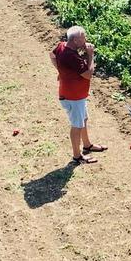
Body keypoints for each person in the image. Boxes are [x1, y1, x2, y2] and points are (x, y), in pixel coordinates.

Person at [50, 26, 105, 164]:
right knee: (77, 125)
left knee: (83, 120)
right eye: (83, 37)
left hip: (76, 95)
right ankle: (77, 156)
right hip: (73, 97)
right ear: (75, 40)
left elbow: (52, 55)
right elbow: (88, 75)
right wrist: (91, 54)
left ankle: (87, 145)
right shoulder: (72, 57)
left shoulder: (62, 46)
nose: (86, 39)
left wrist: (61, 71)